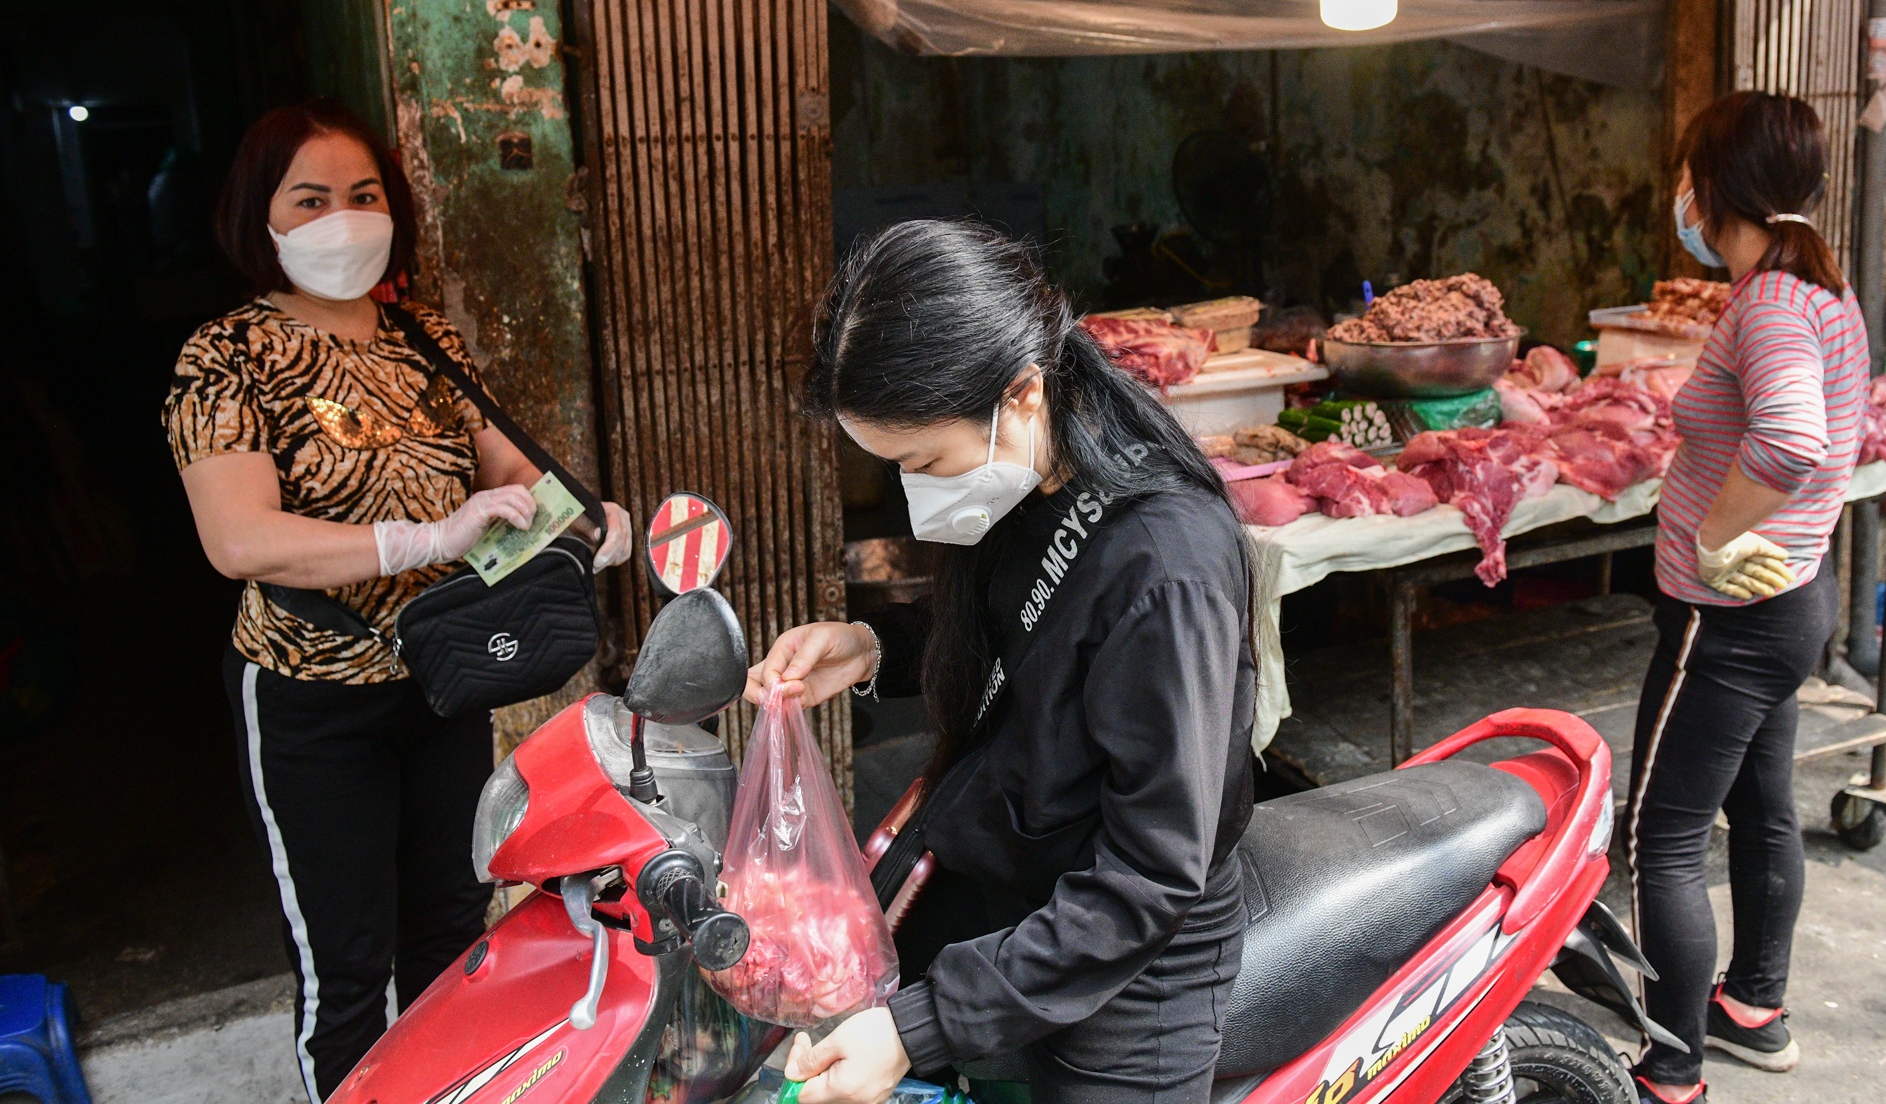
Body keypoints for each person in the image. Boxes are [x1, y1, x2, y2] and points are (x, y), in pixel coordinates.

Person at [162, 99, 630, 1102]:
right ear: (262, 216)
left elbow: (512, 472)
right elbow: (237, 538)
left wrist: (584, 525)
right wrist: (421, 539)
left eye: (363, 194)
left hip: (438, 684)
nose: (344, 217)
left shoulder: (423, 338)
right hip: (309, 697)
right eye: (312, 198)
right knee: (344, 969)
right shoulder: (226, 356)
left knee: (452, 934)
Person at [746, 221, 1258, 1104]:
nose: (918, 491)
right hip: (1013, 887)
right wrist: (870, 646)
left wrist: (918, 1027)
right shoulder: (1028, 474)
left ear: (1022, 392)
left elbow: (1149, 875)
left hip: (1129, 961)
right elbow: (1018, 633)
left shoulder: (1164, 565)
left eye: (923, 461)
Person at [1629, 92, 1870, 1104]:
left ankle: (1671, 1066)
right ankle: (1751, 1010)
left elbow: (1787, 442)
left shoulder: (1770, 301)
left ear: (1713, 182)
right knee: (1762, 806)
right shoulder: (1816, 289)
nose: (1679, 193)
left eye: (1688, 171)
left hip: (1724, 616)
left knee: (1661, 833)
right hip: (1789, 609)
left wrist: (1713, 535)